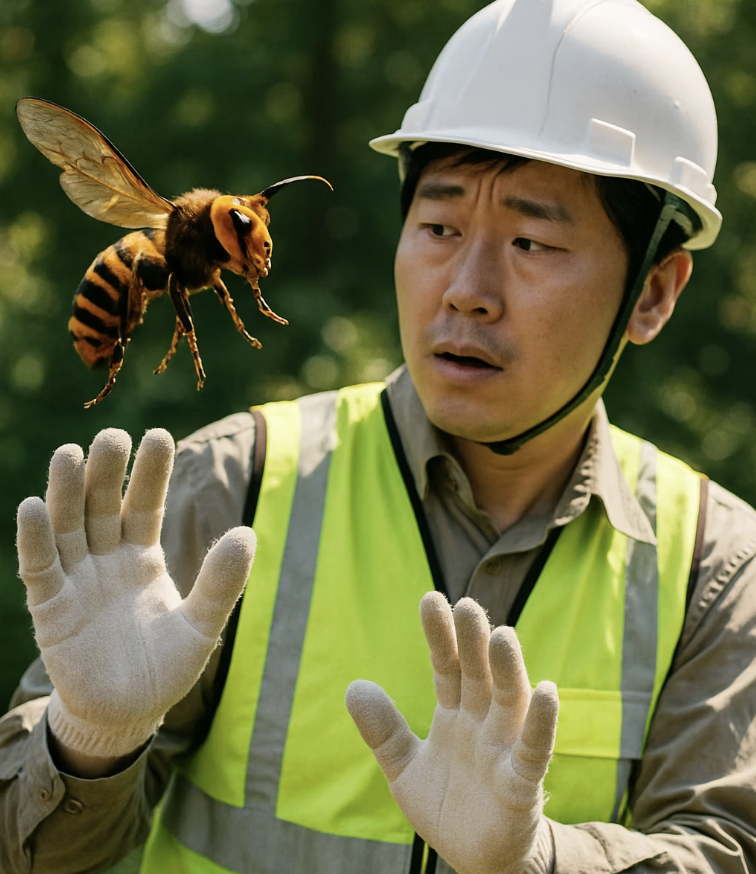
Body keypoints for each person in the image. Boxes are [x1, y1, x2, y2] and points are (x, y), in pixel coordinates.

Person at [2, 0, 756, 872]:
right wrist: (89, 744)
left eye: (531, 242)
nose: (467, 288)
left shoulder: (717, 570)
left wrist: (540, 860)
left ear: (656, 292)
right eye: (439, 228)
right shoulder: (233, 487)